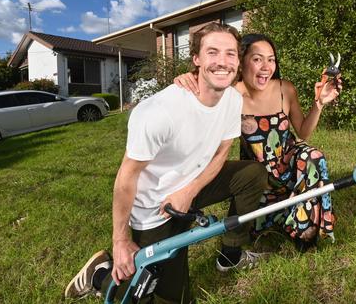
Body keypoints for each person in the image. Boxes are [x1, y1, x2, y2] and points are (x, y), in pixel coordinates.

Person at [64, 23, 268, 304]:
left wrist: (189, 191)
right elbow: (126, 177)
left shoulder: (232, 99)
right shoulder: (160, 112)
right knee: (159, 297)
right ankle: (100, 274)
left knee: (252, 174)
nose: (223, 61)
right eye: (213, 52)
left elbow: (222, 152)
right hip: (154, 208)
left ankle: (231, 254)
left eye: (230, 54)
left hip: (192, 186)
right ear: (196, 59)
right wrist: (121, 241)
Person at [175, 33, 341, 251]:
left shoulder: (285, 89)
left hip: (288, 165)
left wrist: (319, 103)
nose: (266, 67)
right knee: (256, 215)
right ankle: (274, 217)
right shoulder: (230, 95)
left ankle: (303, 229)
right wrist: (188, 79)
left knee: (313, 156)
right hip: (258, 176)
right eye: (257, 59)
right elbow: (201, 109)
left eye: (271, 59)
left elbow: (303, 132)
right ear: (241, 63)